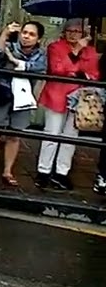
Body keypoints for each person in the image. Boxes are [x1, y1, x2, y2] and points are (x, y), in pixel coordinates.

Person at [0, 20, 47, 186]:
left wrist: (17, 63)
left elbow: (38, 67)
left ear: (38, 39)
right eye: (25, 32)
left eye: (32, 34)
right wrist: (5, 33)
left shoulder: (41, 55)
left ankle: (8, 171)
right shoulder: (10, 46)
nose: (27, 37)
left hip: (22, 98)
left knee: (14, 135)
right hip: (1, 92)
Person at [35, 19, 98, 190]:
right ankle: (43, 171)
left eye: (77, 31)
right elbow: (57, 69)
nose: (73, 34)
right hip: (56, 95)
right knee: (52, 134)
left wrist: (77, 71)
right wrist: (76, 52)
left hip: (79, 98)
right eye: (69, 30)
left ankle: (62, 172)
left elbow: (92, 73)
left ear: (84, 33)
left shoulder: (90, 51)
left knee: (71, 137)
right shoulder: (55, 47)